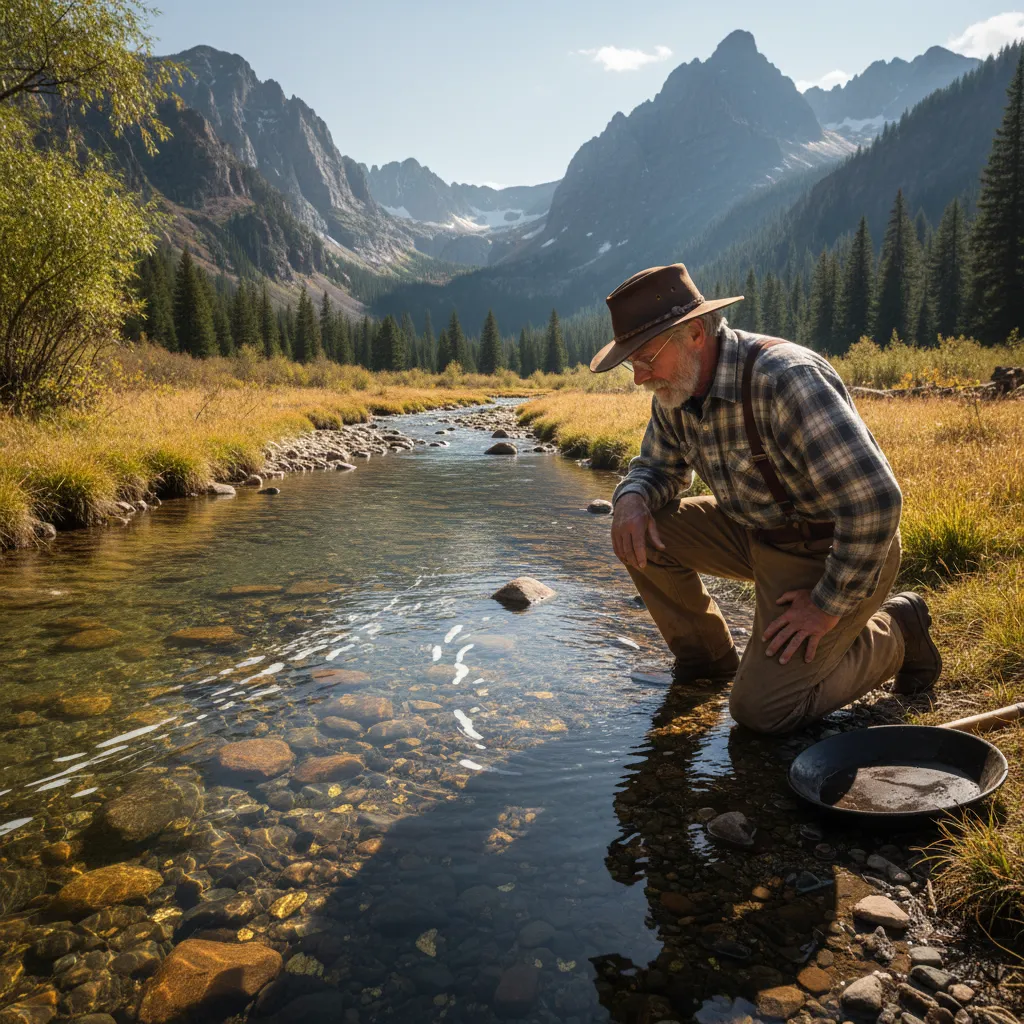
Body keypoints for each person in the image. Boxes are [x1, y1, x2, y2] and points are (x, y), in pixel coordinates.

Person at [590, 263, 942, 734]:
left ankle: (898, 629)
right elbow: (657, 469)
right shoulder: (674, 390)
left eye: (646, 358)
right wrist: (631, 499)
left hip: (832, 549)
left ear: (695, 332)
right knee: (639, 531)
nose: (639, 378)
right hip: (754, 531)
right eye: (633, 363)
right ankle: (710, 662)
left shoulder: (785, 379)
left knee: (761, 713)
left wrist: (826, 606)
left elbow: (875, 502)